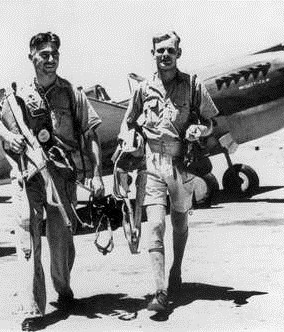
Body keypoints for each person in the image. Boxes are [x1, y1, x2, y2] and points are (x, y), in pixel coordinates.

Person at [0, 32, 104, 329]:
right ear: (32, 57)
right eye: (43, 55)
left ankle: (64, 291)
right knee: (28, 238)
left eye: (54, 54)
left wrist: (94, 173)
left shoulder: (71, 94)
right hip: (28, 176)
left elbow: (90, 135)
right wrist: (11, 137)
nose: (50, 59)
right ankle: (33, 309)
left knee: (61, 239)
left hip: (62, 176)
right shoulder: (17, 95)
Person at [118, 31, 219, 312]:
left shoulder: (193, 85)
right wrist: (128, 139)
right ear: (153, 54)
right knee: (156, 225)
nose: (165, 55)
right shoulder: (142, 88)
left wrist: (202, 129)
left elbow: (212, 122)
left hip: (181, 163)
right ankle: (160, 291)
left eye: (170, 51)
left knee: (179, 222)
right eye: (160, 50)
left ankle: (176, 270)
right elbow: (127, 123)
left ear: (178, 54)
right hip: (152, 164)